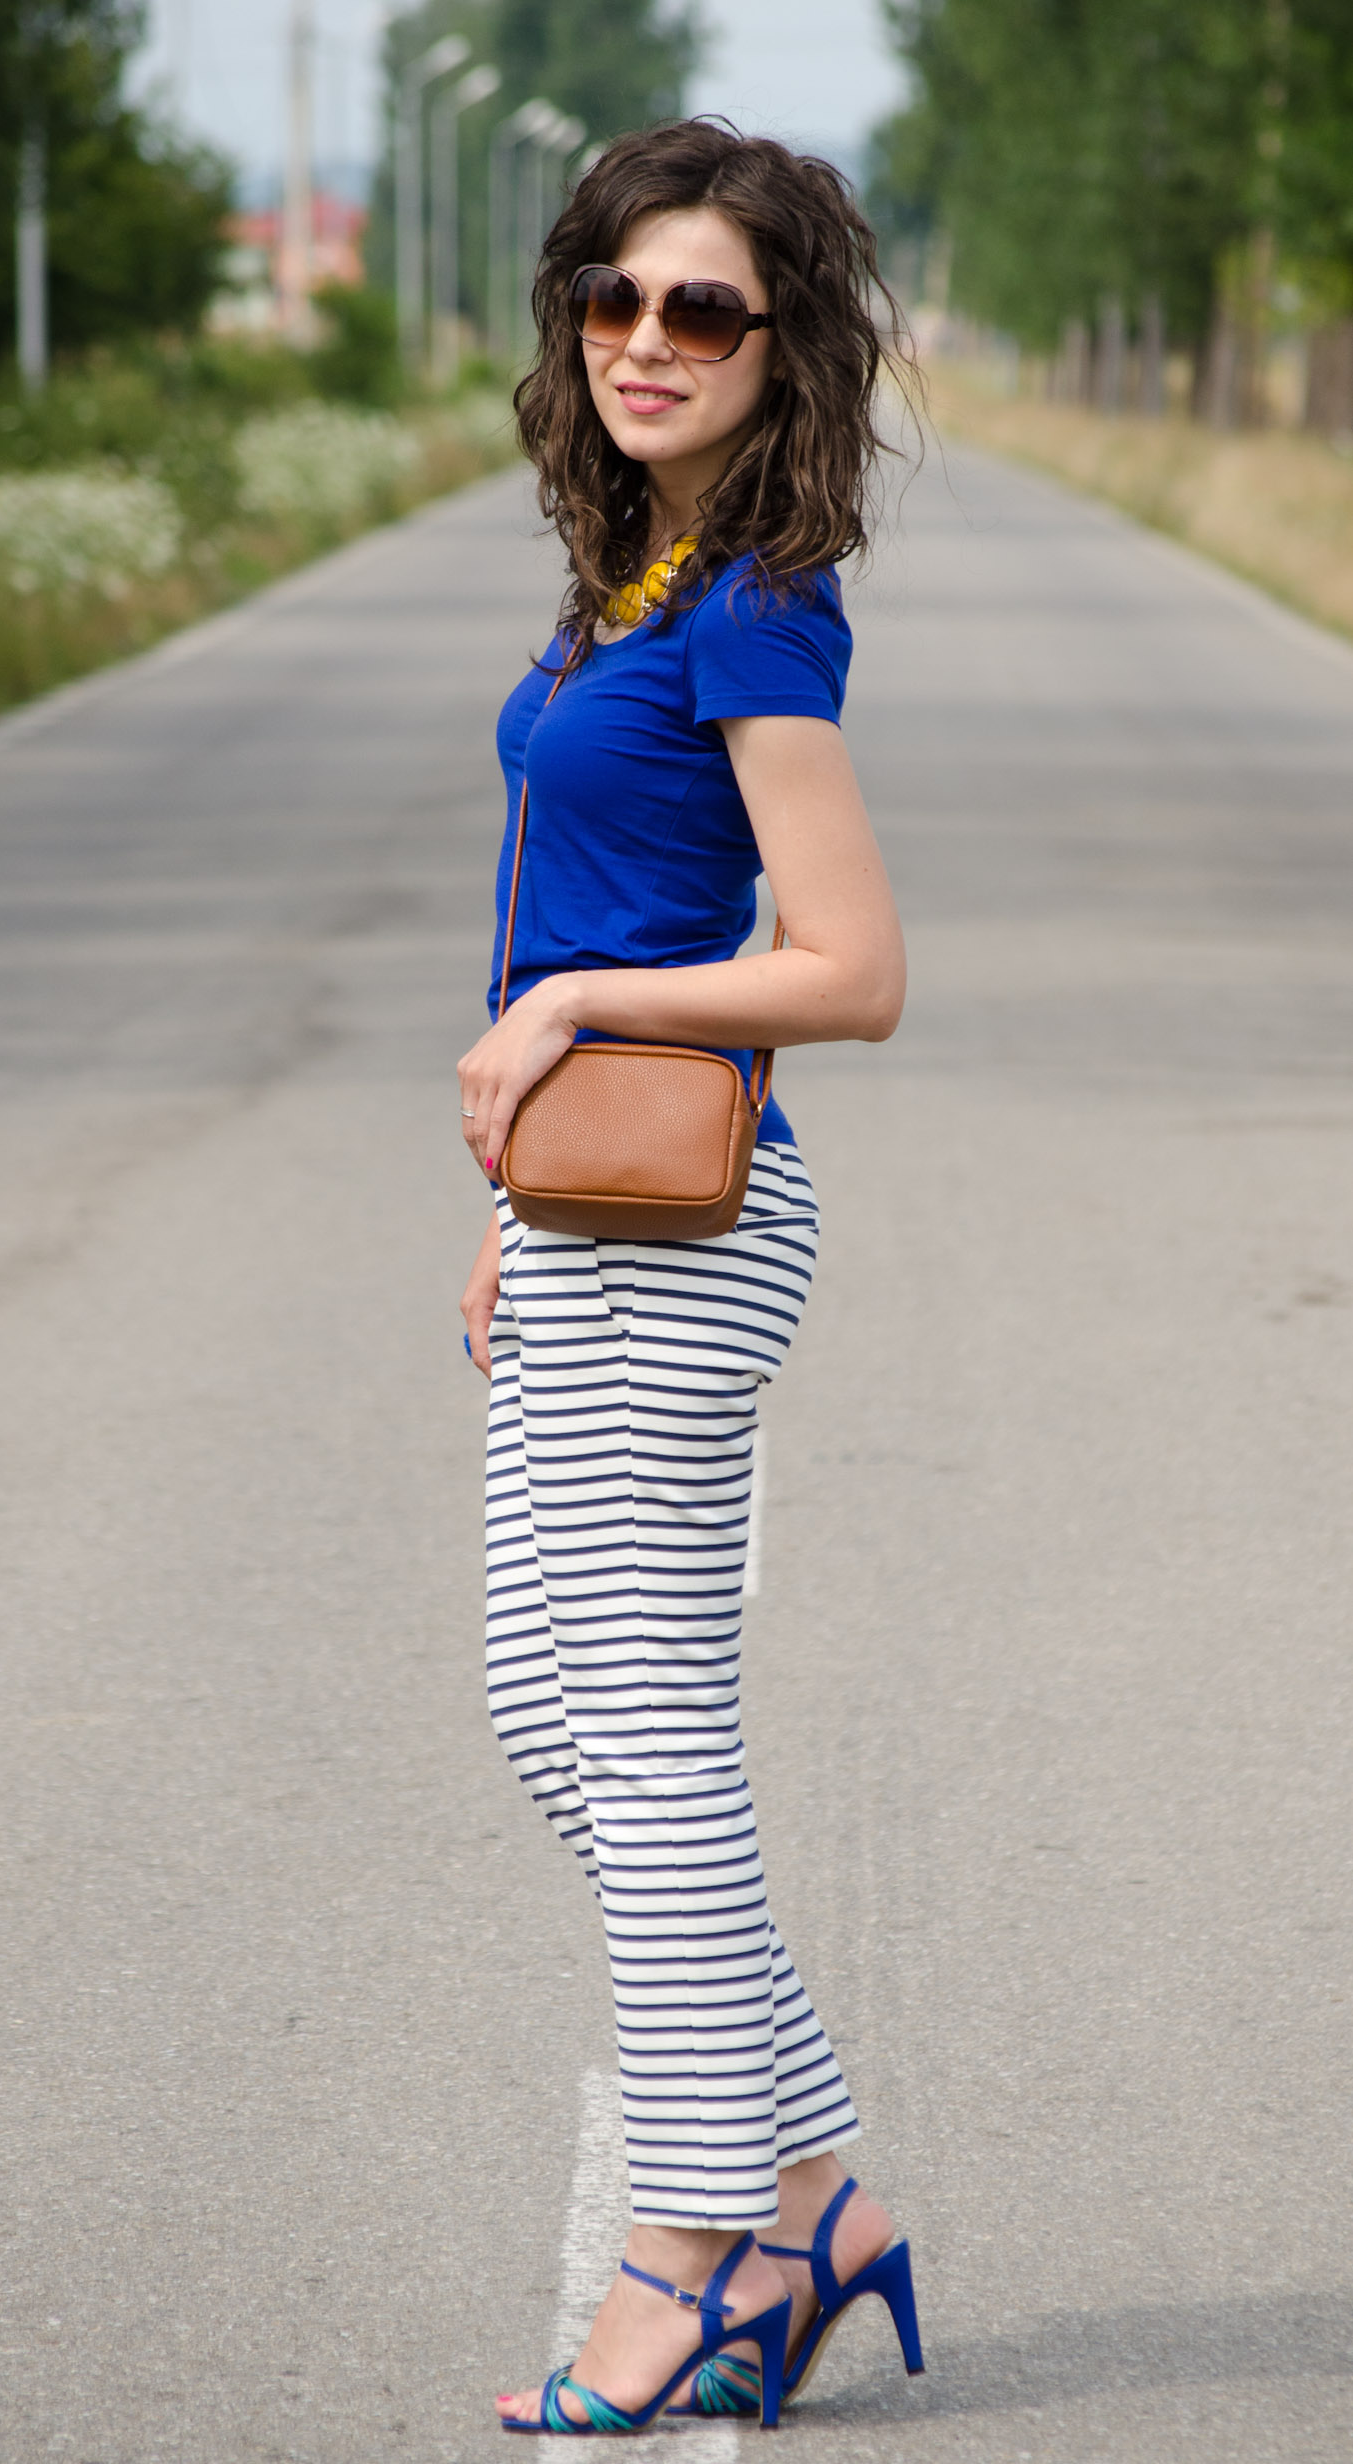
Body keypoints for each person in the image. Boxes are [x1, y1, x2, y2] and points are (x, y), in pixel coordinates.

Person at [457, 118, 921, 2435]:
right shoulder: (625, 574)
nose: (647, 343)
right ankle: (817, 2184)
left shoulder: (757, 599)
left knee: (642, 1745)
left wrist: (573, 1021)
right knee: (558, 1715)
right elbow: (594, 897)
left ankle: (693, 2240)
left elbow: (851, 967)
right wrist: (517, 1176)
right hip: (582, 1220)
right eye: (615, 300)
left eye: (704, 310)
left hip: (687, 1239)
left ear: (779, 346)